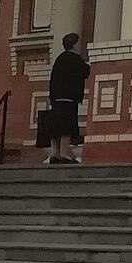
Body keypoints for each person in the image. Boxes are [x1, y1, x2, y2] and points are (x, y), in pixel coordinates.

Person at [45, 32, 89, 165]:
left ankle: (55, 153)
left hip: (56, 99)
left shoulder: (59, 59)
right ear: (75, 45)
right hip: (69, 98)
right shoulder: (74, 59)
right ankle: (64, 154)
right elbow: (85, 71)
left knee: (56, 126)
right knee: (66, 126)